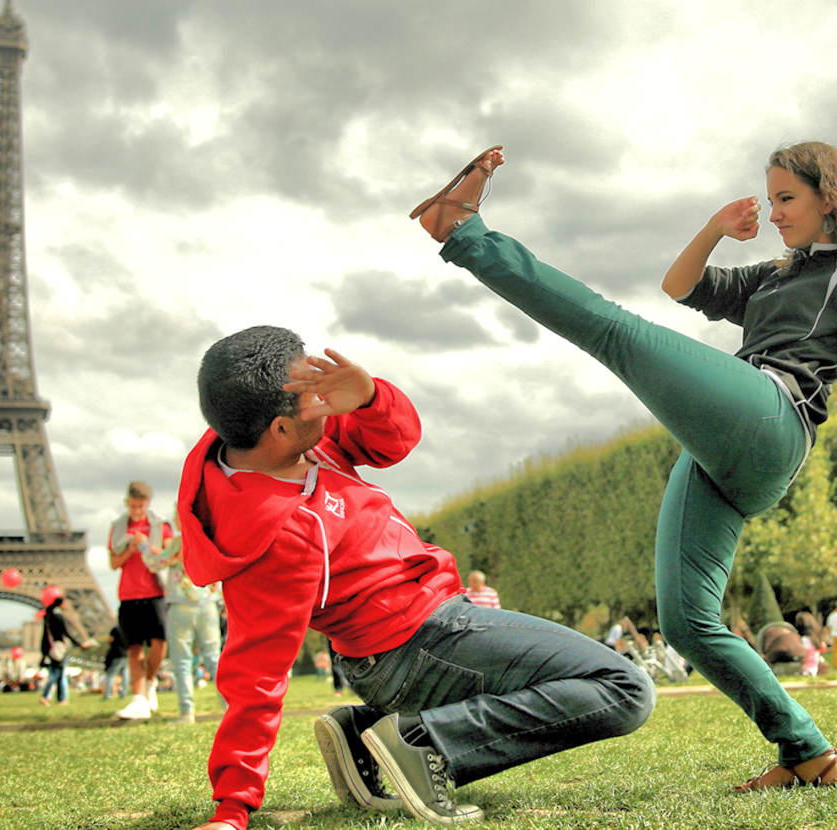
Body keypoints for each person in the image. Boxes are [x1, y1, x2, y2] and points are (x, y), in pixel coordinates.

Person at [412, 143, 837, 792]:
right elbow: (682, 287)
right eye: (773, 198)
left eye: (788, 198)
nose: (776, 212)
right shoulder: (777, 276)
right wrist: (713, 231)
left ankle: (463, 233)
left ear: (830, 197)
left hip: (770, 420)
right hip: (731, 447)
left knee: (613, 331)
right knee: (686, 622)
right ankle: (807, 753)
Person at [177, 327, 654, 829]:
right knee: (624, 688)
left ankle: (368, 734)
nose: (326, 396)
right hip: (421, 642)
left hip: (410, 640)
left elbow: (393, 442)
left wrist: (369, 397)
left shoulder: (283, 443)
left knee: (600, 680)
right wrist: (233, 808)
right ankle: (420, 741)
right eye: (314, 391)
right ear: (278, 428)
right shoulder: (278, 528)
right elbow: (257, 671)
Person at [109, 480, 173, 720]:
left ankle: (150, 681)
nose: (136, 510)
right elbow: (113, 563)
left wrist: (146, 546)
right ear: (127, 503)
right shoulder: (117, 528)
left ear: (147, 504)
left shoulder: (160, 526)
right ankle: (138, 699)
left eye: (140, 506)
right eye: (133, 505)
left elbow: (169, 555)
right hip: (128, 594)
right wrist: (130, 549)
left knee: (159, 643)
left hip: (155, 592)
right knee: (133, 647)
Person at [158, 533, 224, 725]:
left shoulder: (177, 542)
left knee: (182, 662)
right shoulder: (209, 537)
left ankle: (187, 713)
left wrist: (145, 546)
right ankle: (229, 706)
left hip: (180, 605)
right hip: (207, 604)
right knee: (214, 657)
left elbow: (154, 563)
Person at [39, 595, 92, 706]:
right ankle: (54, 697)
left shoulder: (48, 616)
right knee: (58, 673)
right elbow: (66, 633)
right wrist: (79, 644)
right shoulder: (58, 616)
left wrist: (44, 652)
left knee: (55, 673)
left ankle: (57, 698)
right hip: (58, 647)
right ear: (61, 604)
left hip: (51, 647)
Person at [100, 625, 129, 701]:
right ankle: (123, 694)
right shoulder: (127, 628)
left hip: (117, 655)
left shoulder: (116, 629)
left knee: (110, 675)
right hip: (127, 654)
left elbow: (110, 640)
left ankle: (107, 694)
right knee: (125, 675)